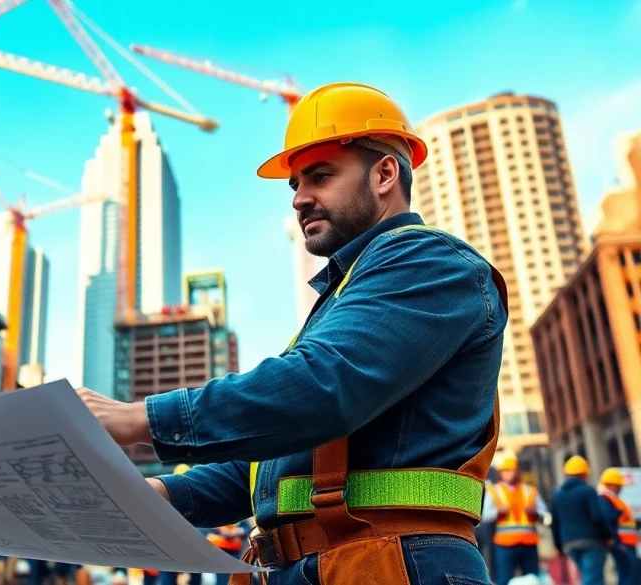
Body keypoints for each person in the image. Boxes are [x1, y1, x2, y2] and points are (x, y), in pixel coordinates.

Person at [76, 81, 509, 585]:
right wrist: (163, 495)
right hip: (332, 564)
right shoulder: (346, 295)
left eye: (320, 176)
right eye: (296, 185)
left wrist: (138, 418)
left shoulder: (429, 263)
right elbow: (270, 466)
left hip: (396, 563)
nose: (300, 198)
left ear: (386, 173)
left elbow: (324, 387)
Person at [482, 453, 548, 585]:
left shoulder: (530, 491)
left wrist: (535, 513)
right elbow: (485, 516)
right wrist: (498, 512)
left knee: (532, 579)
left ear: (517, 471)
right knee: (504, 579)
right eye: (506, 471)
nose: (509, 474)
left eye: (511, 470)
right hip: (505, 544)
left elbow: (544, 515)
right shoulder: (494, 491)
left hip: (528, 543)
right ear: (501, 473)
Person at [551, 456, 614, 585]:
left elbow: (555, 523)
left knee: (587, 575)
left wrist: (558, 546)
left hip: (569, 543)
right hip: (591, 541)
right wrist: (607, 536)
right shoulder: (588, 491)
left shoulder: (558, 495)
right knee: (593, 579)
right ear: (584, 474)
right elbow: (597, 516)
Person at [597, 468, 638, 585]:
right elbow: (609, 520)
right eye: (619, 485)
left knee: (631, 574)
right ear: (612, 485)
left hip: (627, 542)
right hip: (622, 543)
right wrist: (615, 541)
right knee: (628, 575)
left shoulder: (615, 500)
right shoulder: (606, 499)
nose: (621, 488)